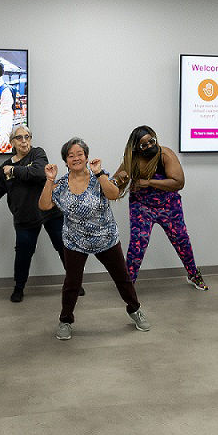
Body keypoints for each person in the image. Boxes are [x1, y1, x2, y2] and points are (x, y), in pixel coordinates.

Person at [39, 137, 151, 340]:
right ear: (65, 161)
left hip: (105, 238)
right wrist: (49, 179)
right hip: (75, 241)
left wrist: (99, 173)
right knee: (72, 283)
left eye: (80, 154)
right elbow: (45, 205)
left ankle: (135, 310)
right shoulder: (61, 185)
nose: (76, 158)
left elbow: (114, 194)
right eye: (71, 155)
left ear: (86, 157)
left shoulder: (99, 177)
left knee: (122, 278)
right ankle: (65, 320)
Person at [0, 125, 84, 302]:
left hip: (50, 211)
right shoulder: (5, 166)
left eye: (27, 137)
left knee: (63, 246)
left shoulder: (37, 154)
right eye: (19, 138)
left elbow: (39, 172)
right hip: (24, 217)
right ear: (12, 142)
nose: (24, 141)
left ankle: (75, 283)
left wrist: (14, 171)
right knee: (23, 254)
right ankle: (19, 288)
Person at [112, 126, 207, 290]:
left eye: (151, 141)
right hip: (141, 206)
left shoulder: (165, 155)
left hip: (169, 206)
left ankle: (193, 274)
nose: (149, 145)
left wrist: (148, 182)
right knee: (137, 244)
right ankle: (128, 285)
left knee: (181, 240)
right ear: (136, 147)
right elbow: (113, 186)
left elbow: (178, 182)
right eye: (144, 144)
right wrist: (117, 180)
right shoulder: (131, 159)